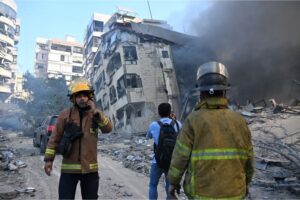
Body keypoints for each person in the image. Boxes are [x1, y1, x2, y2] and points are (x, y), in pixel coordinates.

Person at [167, 61, 254, 199]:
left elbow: (180, 157)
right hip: (235, 194)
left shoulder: (193, 120)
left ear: (201, 93)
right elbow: (249, 160)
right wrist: (246, 182)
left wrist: (173, 182)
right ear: (224, 91)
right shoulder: (239, 121)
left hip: (201, 194)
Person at [43, 78, 112, 200]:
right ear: (73, 99)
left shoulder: (95, 114)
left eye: (85, 96)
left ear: (89, 98)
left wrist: (97, 114)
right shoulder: (65, 115)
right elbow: (54, 138)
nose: (82, 98)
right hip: (69, 170)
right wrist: (49, 160)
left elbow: (108, 129)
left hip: (90, 170)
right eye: (79, 96)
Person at [147, 103, 182, 200]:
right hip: (172, 161)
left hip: (157, 161)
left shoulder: (153, 125)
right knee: (169, 186)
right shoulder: (178, 124)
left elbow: (148, 136)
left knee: (153, 185)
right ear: (170, 112)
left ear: (158, 113)